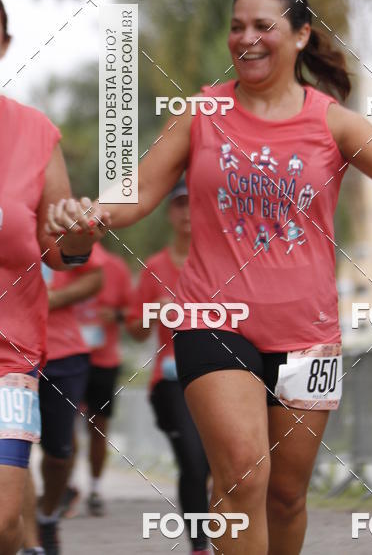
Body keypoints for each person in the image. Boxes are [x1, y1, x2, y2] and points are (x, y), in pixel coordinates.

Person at [48, 0, 372, 555]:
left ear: (300, 35)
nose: (247, 38)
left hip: (308, 335)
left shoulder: (330, 120)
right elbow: (136, 193)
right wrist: (92, 214)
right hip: (212, 319)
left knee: (286, 495)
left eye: (264, 26)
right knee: (242, 476)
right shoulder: (202, 113)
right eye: (237, 26)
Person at [0, 0, 102, 555]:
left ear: (4, 45)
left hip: (8, 356)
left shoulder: (36, 135)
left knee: (2, 526)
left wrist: (77, 239)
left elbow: (62, 251)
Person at [128, 180, 211, 555]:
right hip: (172, 380)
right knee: (193, 461)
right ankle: (199, 547)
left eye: (194, 203)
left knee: (215, 464)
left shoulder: (217, 262)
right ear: (170, 214)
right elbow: (134, 328)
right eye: (180, 205)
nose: (188, 213)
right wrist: (153, 310)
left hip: (217, 375)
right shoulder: (155, 268)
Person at [22, 251, 103, 555]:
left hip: (63, 354)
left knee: (59, 455)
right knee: (15, 446)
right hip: (11, 353)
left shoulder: (54, 223)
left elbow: (95, 277)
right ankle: (31, 544)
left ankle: (47, 516)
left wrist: (52, 299)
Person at [65, 243, 134, 517]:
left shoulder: (114, 266)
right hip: (67, 355)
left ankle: (94, 488)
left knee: (98, 426)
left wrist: (114, 315)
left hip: (103, 359)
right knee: (64, 425)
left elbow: (132, 311)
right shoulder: (59, 259)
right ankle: (67, 487)